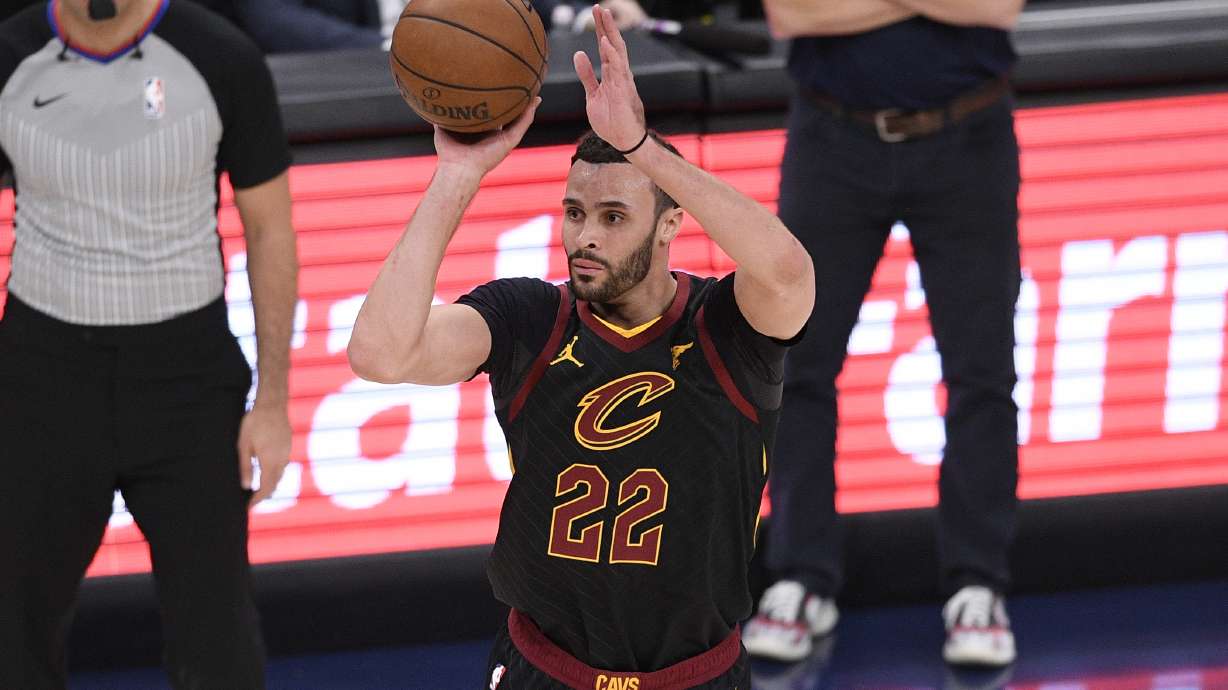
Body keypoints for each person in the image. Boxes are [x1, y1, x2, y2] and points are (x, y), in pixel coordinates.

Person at [348, 6, 813, 688]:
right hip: (544, 668)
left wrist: (644, 147)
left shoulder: (726, 329)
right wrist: (458, 173)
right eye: (574, 212)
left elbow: (788, 273)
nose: (585, 236)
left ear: (669, 226)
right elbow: (380, 355)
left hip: (694, 675)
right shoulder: (529, 317)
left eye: (614, 216)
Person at [0, 0, 296, 688]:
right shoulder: (10, 56)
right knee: (14, 629)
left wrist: (274, 403)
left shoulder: (221, 57)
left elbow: (271, 232)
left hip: (187, 379)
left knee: (218, 644)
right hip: (42, 374)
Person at [742, 0, 1025, 668]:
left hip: (968, 132)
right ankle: (801, 577)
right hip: (832, 136)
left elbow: (996, 6)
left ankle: (977, 584)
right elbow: (790, 14)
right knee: (794, 365)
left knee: (982, 372)